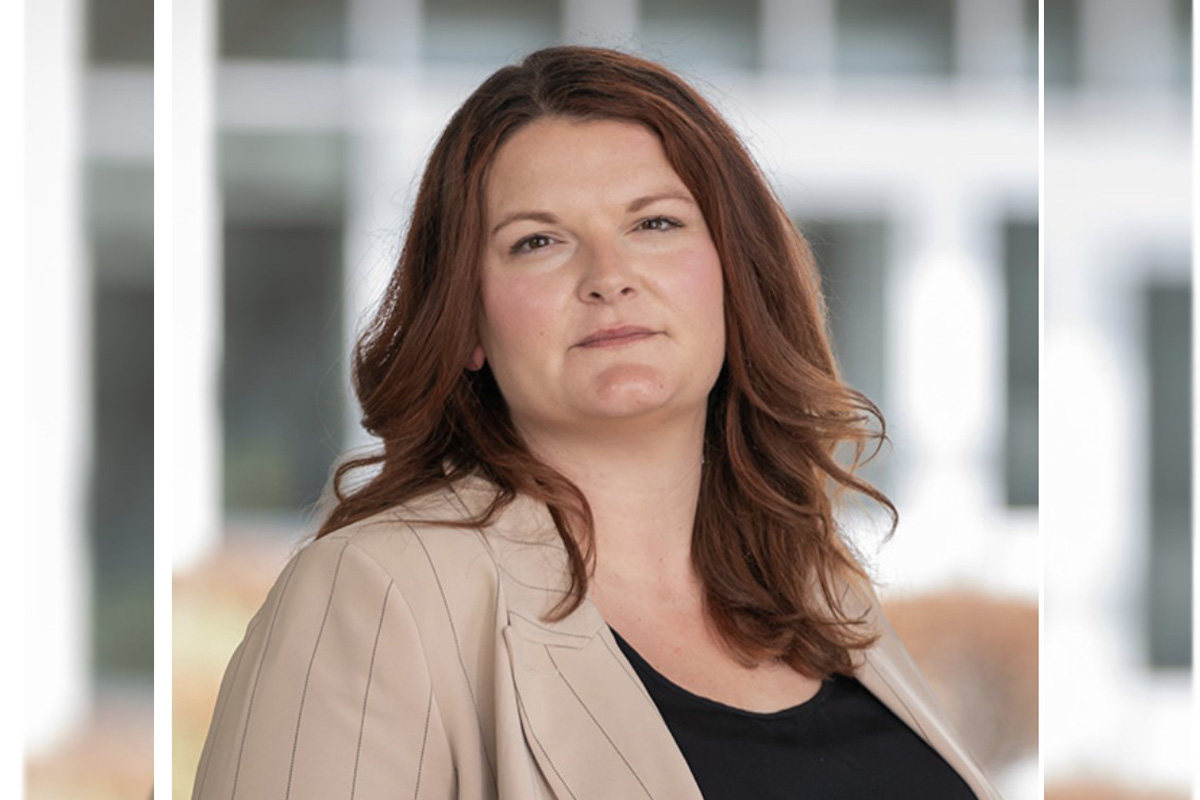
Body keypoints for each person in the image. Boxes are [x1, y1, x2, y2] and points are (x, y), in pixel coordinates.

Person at [192, 46, 1001, 799]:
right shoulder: (377, 595)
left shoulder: (824, 597)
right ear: (467, 323)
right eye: (537, 241)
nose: (609, 277)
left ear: (733, 275)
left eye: (655, 223)